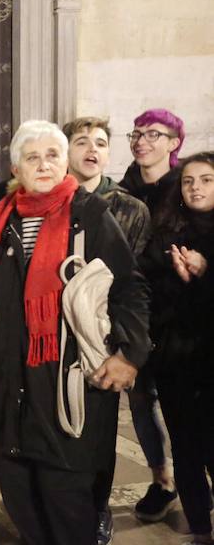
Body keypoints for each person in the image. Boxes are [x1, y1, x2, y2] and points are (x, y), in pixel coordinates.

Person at [0, 120, 152, 545]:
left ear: (64, 162)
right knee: (20, 496)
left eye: (52, 155)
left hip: (68, 384)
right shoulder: (2, 219)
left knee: (67, 501)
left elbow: (129, 287)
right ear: (16, 168)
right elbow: (8, 289)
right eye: (32, 157)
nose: (43, 164)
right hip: (13, 381)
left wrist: (130, 354)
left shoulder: (91, 216)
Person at [62, 116, 163, 540]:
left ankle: (98, 505)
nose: (91, 148)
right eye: (81, 141)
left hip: (105, 334)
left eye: (100, 143)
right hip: (60, 330)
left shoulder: (128, 207)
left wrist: (127, 348)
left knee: (101, 427)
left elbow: (131, 280)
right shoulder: (54, 201)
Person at [139, 151, 214, 545]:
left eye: (205, 180)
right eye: (189, 181)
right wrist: (179, 278)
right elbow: (148, 291)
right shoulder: (166, 233)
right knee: (185, 445)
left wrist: (205, 274)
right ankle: (199, 526)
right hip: (175, 360)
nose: (196, 187)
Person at [120, 108, 184, 218]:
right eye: (136, 135)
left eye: (153, 135)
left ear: (173, 144)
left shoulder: (185, 191)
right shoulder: (120, 194)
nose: (140, 142)